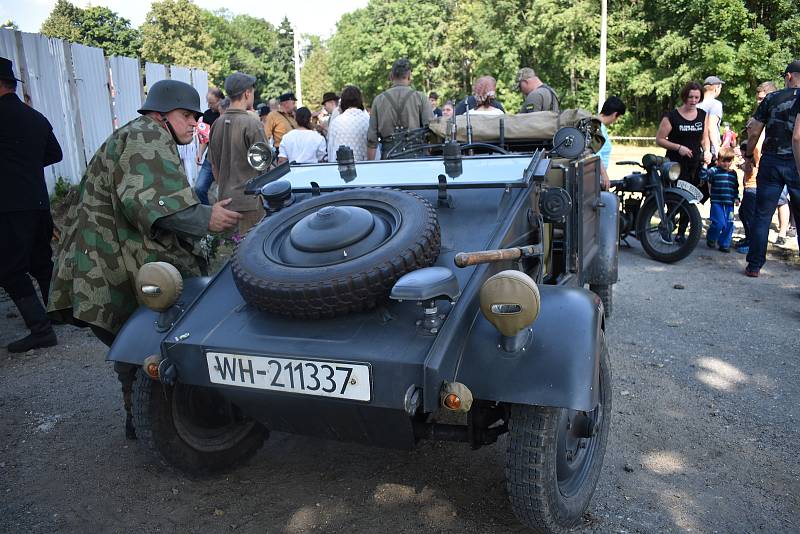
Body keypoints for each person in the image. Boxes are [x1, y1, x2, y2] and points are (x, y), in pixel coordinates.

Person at [47, 80, 241, 438]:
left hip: (103, 260)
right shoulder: (147, 138)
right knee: (155, 338)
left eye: (195, 116)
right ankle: (164, 424)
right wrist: (207, 219)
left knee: (133, 345)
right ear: (160, 114)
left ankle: (139, 419)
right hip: (113, 262)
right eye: (185, 116)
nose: (191, 123)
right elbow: (157, 207)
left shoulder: (134, 134)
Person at [0, 57, 63, 353]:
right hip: (38, 201)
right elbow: (56, 153)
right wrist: (26, 168)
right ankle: (56, 312)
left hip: (10, 205)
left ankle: (41, 330)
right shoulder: (36, 117)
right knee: (41, 261)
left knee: (10, 269)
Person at [743, 60, 800, 276]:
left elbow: (755, 130)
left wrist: (749, 154)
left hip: (771, 162)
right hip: (797, 162)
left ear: (788, 77)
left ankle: (754, 265)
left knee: (763, 215)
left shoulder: (772, 98)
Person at [208, 72, 268, 235]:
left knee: (231, 254)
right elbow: (264, 166)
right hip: (251, 203)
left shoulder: (216, 123)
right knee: (250, 251)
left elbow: (213, 165)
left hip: (225, 202)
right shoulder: (252, 123)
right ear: (247, 93)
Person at [737, 81, 778, 254]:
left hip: (760, 176)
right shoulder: (759, 117)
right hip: (752, 175)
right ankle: (749, 240)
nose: (759, 102)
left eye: (763, 99)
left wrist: (750, 161)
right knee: (746, 211)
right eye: (758, 99)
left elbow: (758, 148)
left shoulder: (773, 120)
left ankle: (752, 246)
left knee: (752, 213)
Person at [367, 58, 433, 160]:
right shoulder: (420, 98)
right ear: (409, 76)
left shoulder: (378, 100)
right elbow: (430, 130)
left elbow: (372, 140)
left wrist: (370, 166)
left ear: (391, 76)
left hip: (388, 158)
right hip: (416, 158)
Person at [656, 81, 711, 195]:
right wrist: (679, 148)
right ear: (685, 96)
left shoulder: (703, 115)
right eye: (690, 97)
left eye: (697, 97)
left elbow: (704, 138)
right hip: (675, 166)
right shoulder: (672, 116)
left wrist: (707, 151)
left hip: (695, 165)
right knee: (675, 199)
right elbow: (659, 139)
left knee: (692, 201)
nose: (693, 100)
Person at [702, 147, 739, 252]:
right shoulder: (714, 171)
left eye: (729, 161)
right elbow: (703, 176)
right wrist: (705, 165)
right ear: (718, 160)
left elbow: (735, 187)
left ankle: (724, 244)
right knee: (719, 223)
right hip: (717, 202)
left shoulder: (733, 173)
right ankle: (711, 238)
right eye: (723, 161)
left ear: (732, 161)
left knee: (729, 223)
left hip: (729, 204)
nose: (726, 164)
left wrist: (736, 198)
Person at [194, 87, 224, 205]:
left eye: (211, 103)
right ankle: (209, 213)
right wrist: (200, 153)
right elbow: (204, 138)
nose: (209, 105)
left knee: (223, 192)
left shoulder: (230, 113)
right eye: (208, 102)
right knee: (199, 188)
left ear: (221, 100)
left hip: (227, 160)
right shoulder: (207, 114)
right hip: (210, 159)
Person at [327, 85, 371, 162]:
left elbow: (331, 150)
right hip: (364, 167)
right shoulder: (367, 120)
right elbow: (373, 148)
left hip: (341, 168)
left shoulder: (336, 122)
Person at [597, 96, 627, 190]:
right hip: (596, 177)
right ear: (615, 114)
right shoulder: (598, 128)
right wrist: (604, 175)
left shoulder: (598, 126)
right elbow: (595, 154)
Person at [698, 76, 725, 163]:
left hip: (697, 146)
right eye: (720, 87)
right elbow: (711, 126)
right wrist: (716, 148)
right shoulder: (715, 104)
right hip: (710, 150)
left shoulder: (696, 103)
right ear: (716, 88)